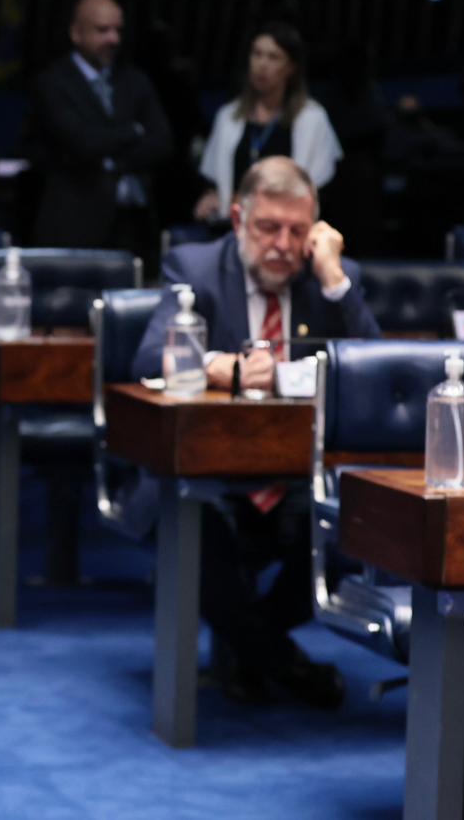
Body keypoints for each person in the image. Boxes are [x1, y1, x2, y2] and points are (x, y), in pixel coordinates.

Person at [134, 157, 380, 708]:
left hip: (292, 476)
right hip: (207, 474)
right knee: (192, 526)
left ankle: (252, 649)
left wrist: (336, 280)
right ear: (239, 218)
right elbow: (147, 356)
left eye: (297, 231)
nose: (282, 245)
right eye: (269, 228)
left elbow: (375, 378)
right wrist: (217, 365)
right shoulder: (194, 267)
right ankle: (287, 664)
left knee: (359, 524)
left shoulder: (330, 279)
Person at [23, 0, 172, 255]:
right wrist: (133, 131)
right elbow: (80, 142)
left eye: (117, 30)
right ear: (76, 33)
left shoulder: (134, 80)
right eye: (102, 30)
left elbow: (162, 142)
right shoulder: (53, 82)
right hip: (74, 224)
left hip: (133, 222)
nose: (113, 39)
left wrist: (111, 156)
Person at [195, 22, 343, 222]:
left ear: (291, 67)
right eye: (257, 54)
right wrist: (211, 198)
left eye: (273, 57)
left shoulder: (311, 118)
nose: (262, 64)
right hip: (234, 228)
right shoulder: (228, 116)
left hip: (287, 229)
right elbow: (214, 181)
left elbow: (319, 188)